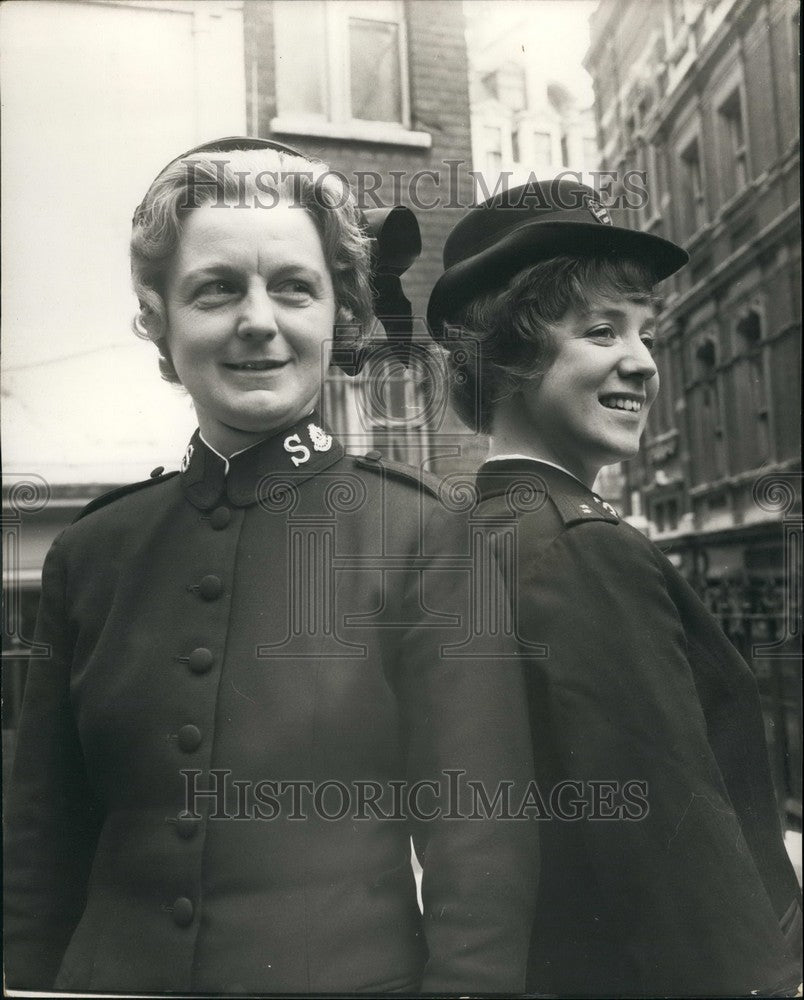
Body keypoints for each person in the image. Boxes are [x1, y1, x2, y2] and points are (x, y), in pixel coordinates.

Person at [3, 138, 537, 995]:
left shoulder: (425, 537)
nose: (259, 319)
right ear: (159, 320)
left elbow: (482, 857)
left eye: (293, 286)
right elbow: (39, 852)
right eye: (217, 289)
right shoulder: (90, 554)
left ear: (339, 314)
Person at [426, 177, 803, 997]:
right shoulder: (582, 549)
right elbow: (675, 858)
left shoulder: (479, 531)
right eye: (601, 331)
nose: (642, 362)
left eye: (644, 331)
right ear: (513, 357)